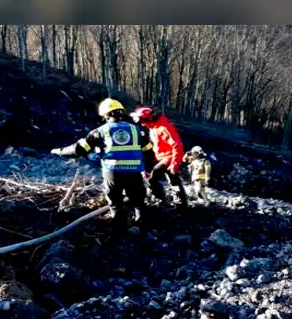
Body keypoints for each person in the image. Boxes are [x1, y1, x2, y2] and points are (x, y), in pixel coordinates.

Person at [50, 98, 151, 232]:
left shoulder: (100, 132)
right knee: (138, 201)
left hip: (113, 173)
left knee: (115, 203)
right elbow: (149, 152)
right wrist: (148, 170)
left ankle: (119, 231)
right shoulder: (137, 130)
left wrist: (59, 151)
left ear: (105, 115)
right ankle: (142, 229)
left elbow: (79, 149)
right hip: (134, 172)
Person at [130, 106, 188, 208]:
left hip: (169, 158)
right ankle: (178, 203)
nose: (141, 124)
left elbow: (177, 145)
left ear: (148, 119)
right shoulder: (153, 127)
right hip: (162, 158)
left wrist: (174, 163)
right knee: (173, 181)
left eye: (142, 121)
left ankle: (166, 200)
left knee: (152, 178)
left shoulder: (164, 128)